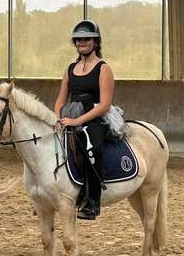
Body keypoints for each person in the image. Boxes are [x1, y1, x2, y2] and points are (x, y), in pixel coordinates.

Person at [54, 20, 114, 220]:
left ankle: (92, 201)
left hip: (94, 117)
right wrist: (58, 118)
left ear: (95, 42)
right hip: (70, 116)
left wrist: (77, 121)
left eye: (87, 39)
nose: (82, 42)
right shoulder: (70, 69)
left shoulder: (103, 69)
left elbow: (104, 105)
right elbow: (61, 100)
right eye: (79, 39)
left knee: (93, 148)